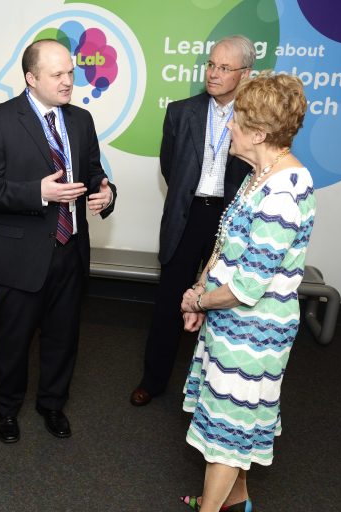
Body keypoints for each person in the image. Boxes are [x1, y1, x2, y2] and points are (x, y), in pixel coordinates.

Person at [178, 73, 315, 512]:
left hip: (254, 335)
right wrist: (200, 287)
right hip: (230, 325)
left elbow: (246, 287)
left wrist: (200, 300)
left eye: (236, 118)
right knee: (227, 421)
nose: (228, 125)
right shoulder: (259, 175)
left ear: (259, 133)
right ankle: (237, 503)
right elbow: (226, 242)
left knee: (227, 433)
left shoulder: (283, 192)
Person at [0, 39, 116, 443]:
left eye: (70, 72)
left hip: (70, 250)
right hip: (21, 254)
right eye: (58, 75)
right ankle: (7, 409)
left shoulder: (81, 120)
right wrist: (39, 193)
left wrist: (106, 195)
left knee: (63, 337)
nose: (68, 81)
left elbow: (95, 174)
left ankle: (53, 404)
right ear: (31, 78)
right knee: (14, 340)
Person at [130, 35, 253, 407]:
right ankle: (152, 380)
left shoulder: (254, 118)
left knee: (222, 303)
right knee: (170, 302)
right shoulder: (181, 112)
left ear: (245, 75)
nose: (213, 73)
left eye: (224, 68)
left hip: (229, 220)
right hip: (187, 216)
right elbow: (171, 168)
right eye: (211, 64)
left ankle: (214, 389)